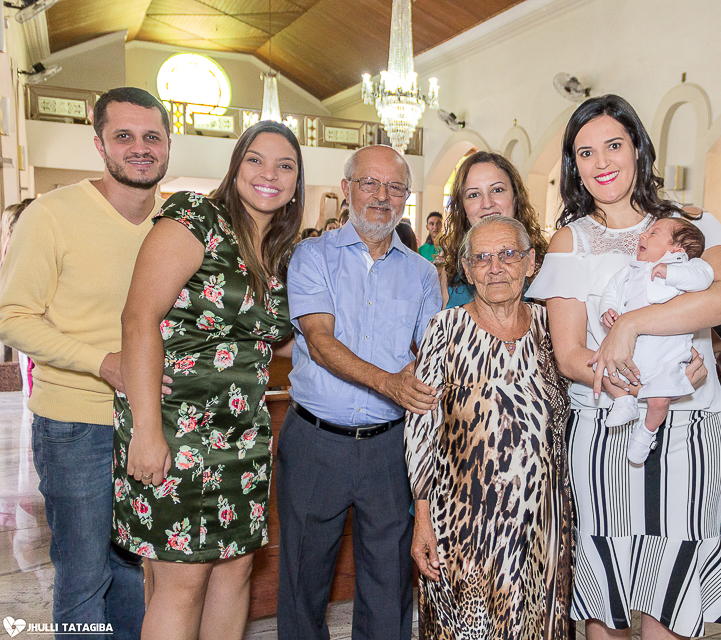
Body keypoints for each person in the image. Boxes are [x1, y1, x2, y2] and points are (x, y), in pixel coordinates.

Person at [527, 94, 721, 639]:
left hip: (689, 431)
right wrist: (657, 379)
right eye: (585, 153)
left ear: (639, 149)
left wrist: (631, 325)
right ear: (573, 166)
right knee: (607, 588)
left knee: (669, 590)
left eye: (614, 145)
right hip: (606, 426)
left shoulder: (690, 224)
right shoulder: (570, 240)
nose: (601, 162)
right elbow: (570, 354)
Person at [113, 119, 302, 640]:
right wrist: (146, 431)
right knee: (183, 581)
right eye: (256, 160)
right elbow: (138, 319)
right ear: (236, 167)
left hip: (244, 432)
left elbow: (270, 339)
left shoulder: (280, 252)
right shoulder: (197, 217)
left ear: (296, 183)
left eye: (285, 166)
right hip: (177, 428)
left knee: (236, 570)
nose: (270, 174)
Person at [0, 87, 172, 639]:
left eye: (152, 136)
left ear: (169, 145)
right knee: (82, 575)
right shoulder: (52, 215)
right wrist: (103, 363)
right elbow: (12, 316)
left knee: (133, 567)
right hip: (77, 423)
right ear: (99, 144)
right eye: (124, 136)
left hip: (154, 422)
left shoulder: (174, 220)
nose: (140, 147)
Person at [277, 144, 442, 640]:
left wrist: (423, 370)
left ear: (406, 198)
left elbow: (433, 352)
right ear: (347, 189)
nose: (381, 196)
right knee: (304, 582)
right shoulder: (312, 256)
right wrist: (390, 381)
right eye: (370, 183)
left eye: (395, 187)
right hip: (316, 442)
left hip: (390, 446)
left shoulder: (421, 272)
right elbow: (320, 341)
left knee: (389, 585)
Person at [406, 215, 572, 639]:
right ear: (467, 268)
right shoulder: (445, 329)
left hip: (543, 522)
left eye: (507, 255)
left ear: (531, 262)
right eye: (481, 258)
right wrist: (422, 519)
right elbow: (421, 429)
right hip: (465, 525)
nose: (495, 267)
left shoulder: (553, 325)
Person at [599, 218, 714, 463]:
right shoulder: (631, 270)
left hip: (667, 352)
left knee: (660, 400)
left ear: (677, 249)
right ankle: (624, 402)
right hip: (632, 347)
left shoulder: (687, 266)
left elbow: (704, 279)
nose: (642, 236)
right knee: (606, 372)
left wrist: (670, 271)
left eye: (653, 233)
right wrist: (607, 309)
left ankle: (646, 433)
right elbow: (611, 289)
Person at [436, 151, 548, 308]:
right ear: (462, 207)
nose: (487, 203)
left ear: (515, 197)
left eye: (497, 190)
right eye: (474, 194)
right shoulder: (451, 270)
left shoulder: (543, 267)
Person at [1, 198, 35, 394]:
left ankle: (29, 397)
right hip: (25, 314)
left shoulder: (11, 247)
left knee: (28, 363)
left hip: (25, 313)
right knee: (30, 363)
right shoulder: (15, 248)